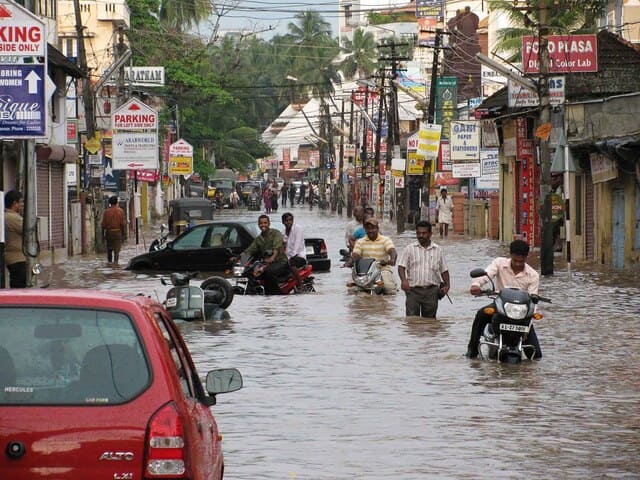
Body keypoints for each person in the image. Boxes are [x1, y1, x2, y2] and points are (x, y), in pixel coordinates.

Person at [465, 239, 542, 359]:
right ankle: (472, 351)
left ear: (526, 258)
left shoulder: (533, 275)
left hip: (521, 314)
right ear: (510, 255)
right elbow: (487, 275)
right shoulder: (499, 263)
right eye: (515, 260)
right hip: (500, 307)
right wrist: (476, 285)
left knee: (536, 356)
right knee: (481, 314)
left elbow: (533, 301)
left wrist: (528, 326)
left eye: (520, 261)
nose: (517, 263)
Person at [397, 221, 450, 318]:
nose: (421, 235)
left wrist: (447, 285)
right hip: (412, 291)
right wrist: (404, 281)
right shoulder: (409, 249)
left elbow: (444, 270)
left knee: (430, 322)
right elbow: (401, 266)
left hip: (432, 291)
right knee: (412, 321)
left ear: (430, 234)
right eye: (418, 233)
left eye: (424, 233)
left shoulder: (438, 250)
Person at [242, 214, 289, 294]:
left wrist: (272, 257)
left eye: (265, 223)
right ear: (258, 224)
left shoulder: (276, 233)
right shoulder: (258, 239)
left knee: (268, 272)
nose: (263, 225)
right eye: (261, 223)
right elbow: (249, 250)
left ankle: (276, 295)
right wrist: (239, 259)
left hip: (280, 262)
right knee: (250, 273)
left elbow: (276, 248)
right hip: (266, 263)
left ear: (269, 224)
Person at [351, 217, 398, 294]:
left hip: (382, 269)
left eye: (373, 228)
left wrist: (392, 259)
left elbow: (392, 251)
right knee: (351, 289)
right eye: (368, 229)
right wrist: (351, 261)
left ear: (377, 228)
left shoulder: (385, 240)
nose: (370, 231)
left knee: (389, 289)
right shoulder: (360, 242)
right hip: (366, 272)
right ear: (365, 230)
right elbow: (356, 254)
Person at [4, 190, 27, 288]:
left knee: (38, 270)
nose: (22, 205)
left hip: (17, 258)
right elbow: (29, 232)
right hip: (18, 259)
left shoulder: (6, 216)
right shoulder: (13, 218)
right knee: (20, 284)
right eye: (21, 202)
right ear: (14, 203)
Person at [281, 212, 306, 289]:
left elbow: (296, 245)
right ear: (283, 222)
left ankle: (300, 284)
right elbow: (282, 246)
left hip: (299, 256)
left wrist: (290, 258)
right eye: (286, 220)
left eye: (290, 220)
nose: (288, 222)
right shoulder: (283, 233)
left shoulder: (298, 229)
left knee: (291, 263)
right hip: (288, 257)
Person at [101, 195, 126, 264]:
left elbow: (103, 225)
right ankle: (115, 264)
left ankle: (109, 264)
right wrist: (123, 235)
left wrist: (103, 236)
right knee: (116, 252)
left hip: (109, 233)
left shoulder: (106, 212)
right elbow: (123, 225)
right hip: (118, 233)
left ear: (110, 202)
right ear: (117, 202)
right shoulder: (120, 211)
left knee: (109, 250)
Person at [550, 173, 564, 252]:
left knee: (555, 228)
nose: (550, 183)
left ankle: (558, 245)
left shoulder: (560, 189)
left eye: (552, 180)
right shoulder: (553, 189)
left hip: (559, 215)